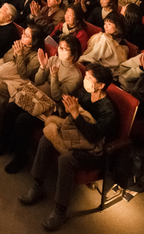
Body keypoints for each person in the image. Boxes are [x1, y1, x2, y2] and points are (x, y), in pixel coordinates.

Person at [18, 63, 118, 231]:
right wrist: (68, 109)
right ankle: (37, 185)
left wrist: (76, 114)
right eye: (85, 77)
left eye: (89, 79)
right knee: (46, 138)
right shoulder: (84, 93)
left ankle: (60, 210)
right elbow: (69, 117)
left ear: (100, 85)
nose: (85, 81)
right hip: (76, 136)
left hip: (94, 151)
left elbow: (94, 135)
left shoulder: (108, 110)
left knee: (66, 159)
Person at [0, 34, 84, 174]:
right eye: (60, 47)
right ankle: (5, 143)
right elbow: (38, 81)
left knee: (24, 119)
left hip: (51, 107)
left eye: (65, 49)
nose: (60, 51)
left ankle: (21, 157)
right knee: (11, 107)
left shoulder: (75, 75)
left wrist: (53, 76)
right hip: (37, 96)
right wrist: (42, 67)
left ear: (74, 52)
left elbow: (57, 96)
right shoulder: (53, 59)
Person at [79, 12, 128, 77]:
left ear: (117, 27)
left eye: (109, 24)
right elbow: (90, 49)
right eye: (105, 23)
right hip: (93, 62)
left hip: (105, 70)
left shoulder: (122, 45)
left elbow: (118, 61)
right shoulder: (100, 35)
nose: (106, 26)